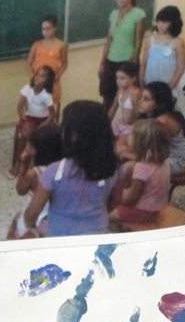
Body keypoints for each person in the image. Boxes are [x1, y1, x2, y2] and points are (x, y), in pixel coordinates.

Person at [23, 100, 118, 237]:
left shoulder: (54, 172)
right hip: (97, 236)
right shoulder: (113, 168)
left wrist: (31, 226)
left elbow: (31, 215)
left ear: (69, 135)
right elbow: (113, 202)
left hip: (60, 239)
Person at [109, 119, 171, 231]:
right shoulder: (163, 163)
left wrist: (115, 193)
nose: (128, 137)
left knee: (106, 216)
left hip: (141, 212)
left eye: (132, 135)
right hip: (156, 209)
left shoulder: (142, 167)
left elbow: (131, 198)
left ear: (141, 142)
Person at [7, 123, 63, 239]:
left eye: (31, 146)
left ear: (40, 150)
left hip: (35, 218)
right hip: (56, 219)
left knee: (17, 224)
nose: (27, 148)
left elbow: (20, 190)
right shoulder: (62, 169)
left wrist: (23, 164)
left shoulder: (34, 173)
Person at [99, 0, 146, 111]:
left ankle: (130, 120)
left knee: (129, 96)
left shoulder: (138, 14)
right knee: (107, 95)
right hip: (111, 60)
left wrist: (133, 61)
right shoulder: (113, 14)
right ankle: (106, 120)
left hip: (127, 61)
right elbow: (109, 40)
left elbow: (139, 41)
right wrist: (103, 62)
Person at [10, 65, 57, 178]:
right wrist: (24, 120)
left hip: (43, 121)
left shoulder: (46, 95)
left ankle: (32, 164)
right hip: (29, 118)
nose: (38, 78)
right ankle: (18, 163)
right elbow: (20, 107)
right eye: (37, 74)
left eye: (42, 76)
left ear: (47, 81)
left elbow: (52, 115)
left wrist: (41, 126)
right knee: (24, 135)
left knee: (36, 136)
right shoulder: (27, 89)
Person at [140, 5, 185, 99]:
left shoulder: (178, 43)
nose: (160, 25)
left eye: (165, 22)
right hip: (150, 84)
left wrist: (170, 87)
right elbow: (143, 63)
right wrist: (141, 82)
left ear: (173, 23)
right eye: (158, 21)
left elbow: (181, 68)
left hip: (168, 87)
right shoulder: (150, 40)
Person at [26, 15, 68, 110]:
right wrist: (34, 78)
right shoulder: (37, 45)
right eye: (43, 29)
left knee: (50, 107)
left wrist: (55, 78)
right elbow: (28, 64)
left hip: (52, 82)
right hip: (37, 82)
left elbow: (64, 64)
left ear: (55, 28)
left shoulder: (61, 45)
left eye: (48, 28)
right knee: (36, 107)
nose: (45, 32)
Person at [108, 62, 141, 138]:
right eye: (117, 78)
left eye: (122, 78)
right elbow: (114, 107)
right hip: (120, 123)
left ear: (133, 78)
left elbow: (139, 113)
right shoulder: (120, 91)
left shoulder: (135, 93)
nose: (118, 81)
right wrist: (106, 121)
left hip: (131, 126)